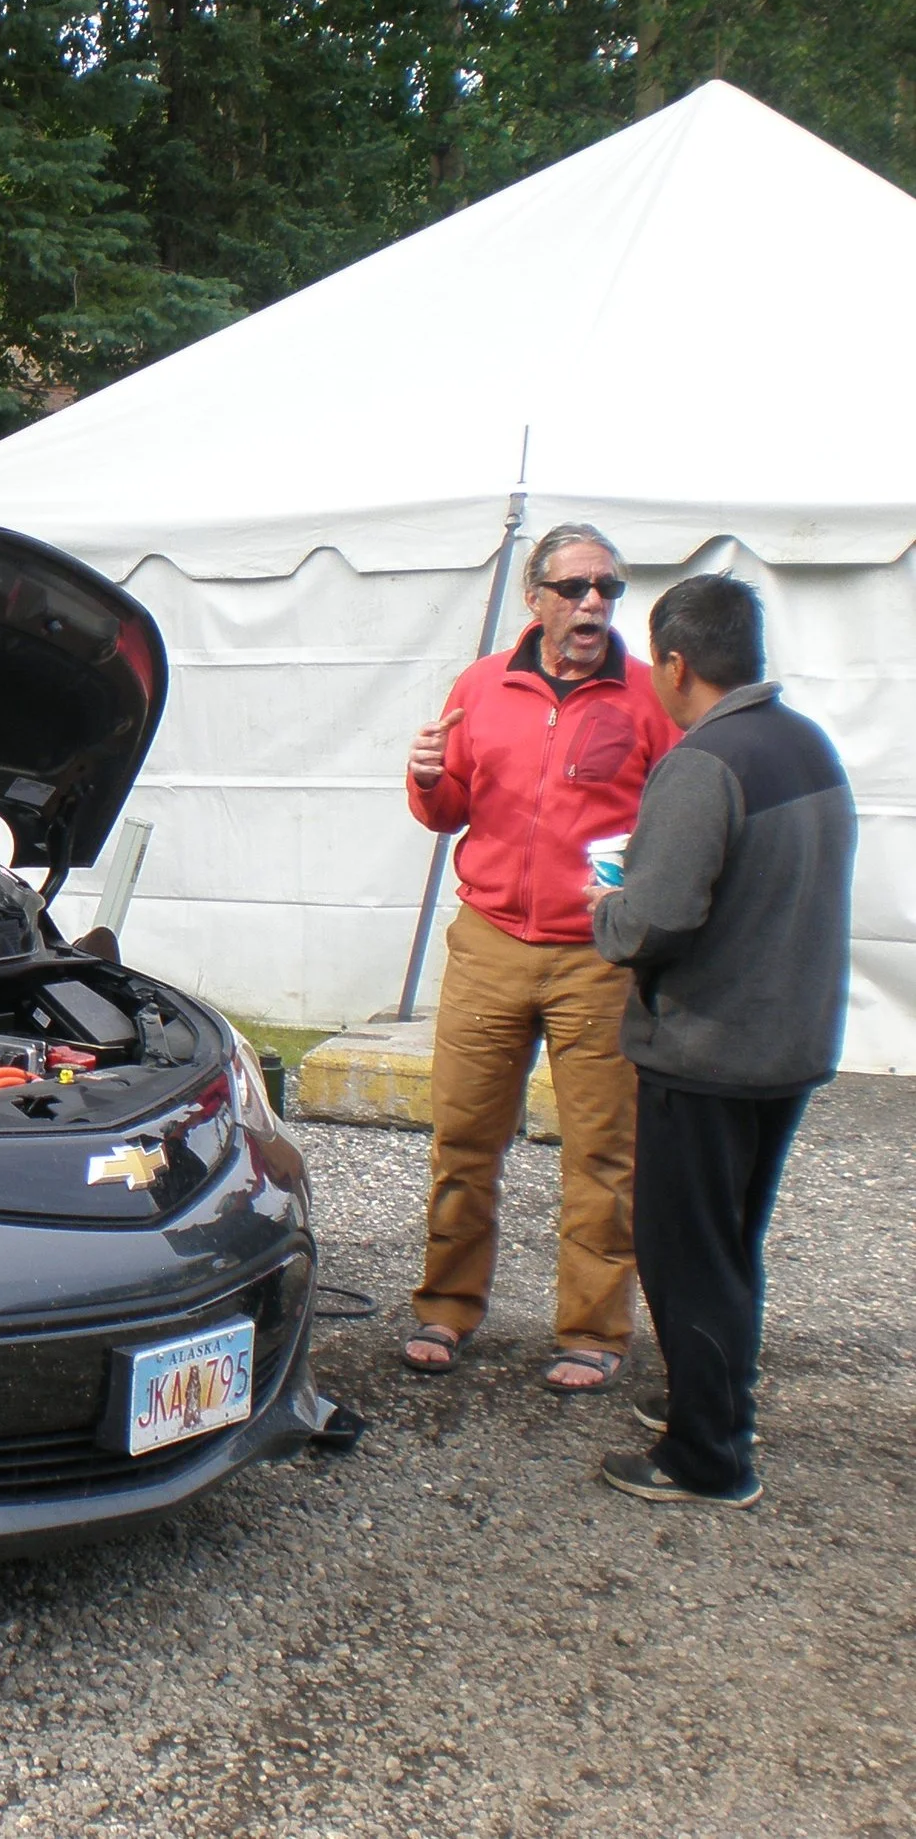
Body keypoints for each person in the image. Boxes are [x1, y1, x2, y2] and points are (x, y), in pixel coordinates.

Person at [589, 575, 853, 1507]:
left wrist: (607, 907)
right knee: (733, 1242)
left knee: (686, 1253)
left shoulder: (705, 761)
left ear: (675, 663)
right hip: (788, 1040)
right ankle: (715, 1401)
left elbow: (659, 917)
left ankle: (709, 1456)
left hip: (709, 1049)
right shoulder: (805, 742)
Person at [401, 524, 681, 1389]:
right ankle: (445, 1308)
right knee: (463, 1139)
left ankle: (593, 1331)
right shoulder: (482, 685)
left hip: (598, 957)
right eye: (575, 588)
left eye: (608, 588)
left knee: (602, 1154)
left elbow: (683, 816)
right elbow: (449, 808)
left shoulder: (649, 695)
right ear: (536, 599)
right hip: (489, 943)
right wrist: (426, 775)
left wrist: (645, 908)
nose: (594, 602)